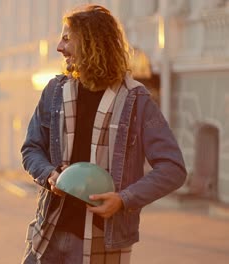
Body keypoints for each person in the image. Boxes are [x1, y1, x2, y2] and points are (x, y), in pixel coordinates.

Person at [21, 4, 186, 264]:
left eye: (66, 38)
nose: (59, 47)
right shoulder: (54, 91)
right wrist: (51, 175)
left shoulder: (136, 101)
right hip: (47, 232)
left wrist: (123, 200)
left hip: (102, 240)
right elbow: (31, 149)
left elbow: (173, 168)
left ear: (92, 43)